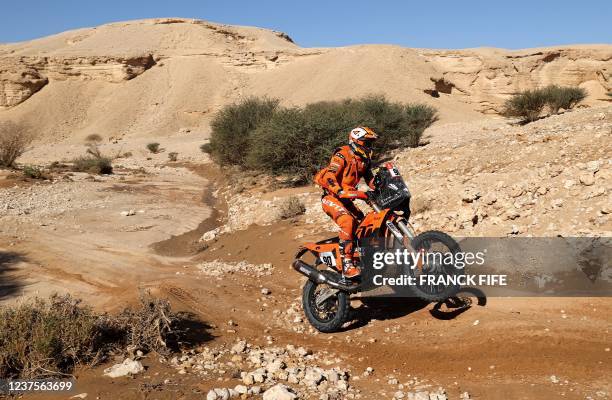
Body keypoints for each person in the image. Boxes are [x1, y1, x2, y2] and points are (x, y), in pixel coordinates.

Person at [314, 126, 378, 279]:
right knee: (347, 221)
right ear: (356, 141)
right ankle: (347, 264)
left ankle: (363, 259)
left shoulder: (364, 160)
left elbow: (370, 180)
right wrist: (339, 190)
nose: (369, 147)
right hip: (332, 198)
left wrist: (383, 185)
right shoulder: (342, 155)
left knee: (365, 225)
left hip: (347, 200)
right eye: (367, 143)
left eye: (370, 144)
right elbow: (330, 174)